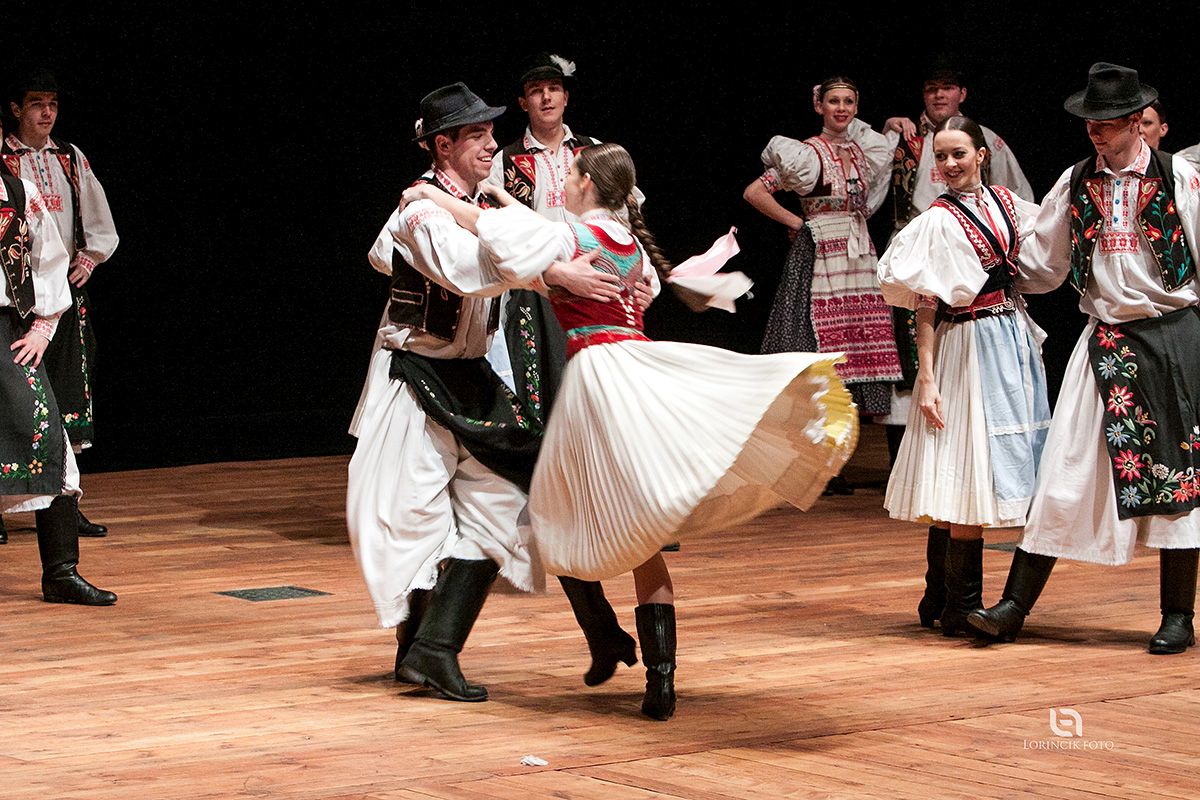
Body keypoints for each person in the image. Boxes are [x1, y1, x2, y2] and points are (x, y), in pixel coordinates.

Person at [404, 142, 858, 720]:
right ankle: (655, 678)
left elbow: (492, 230)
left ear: (586, 183)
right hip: (637, 365)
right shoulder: (632, 245)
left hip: (597, 377)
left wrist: (432, 197)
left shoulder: (569, 238)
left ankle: (569, 633)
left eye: (571, 175)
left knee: (554, 506)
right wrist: (500, 198)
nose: (565, 183)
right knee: (641, 536)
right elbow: (526, 229)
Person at [969, 63, 1200, 655]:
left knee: (1177, 475)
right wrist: (986, 272)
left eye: (1107, 121)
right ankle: (1013, 607)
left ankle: (1178, 615)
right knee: (1063, 468)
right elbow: (1043, 261)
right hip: (1105, 340)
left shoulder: (1180, 178)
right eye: (1090, 122)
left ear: (1136, 122)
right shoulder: (1075, 182)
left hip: (1171, 338)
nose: (1095, 131)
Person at [348, 83, 560, 703]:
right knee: (415, 519)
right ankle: (419, 653)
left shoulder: (463, 204)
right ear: (443, 146)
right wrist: (542, 266)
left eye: (491, 134)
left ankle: (433, 649)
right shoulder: (421, 212)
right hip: (416, 376)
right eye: (477, 136)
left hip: (467, 375)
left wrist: (498, 219)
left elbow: (385, 256)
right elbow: (472, 272)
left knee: (505, 501)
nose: (492, 145)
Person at [486, 52, 639, 688]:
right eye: (536, 90)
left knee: (563, 436)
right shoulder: (504, 160)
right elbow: (496, 228)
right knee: (533, 435)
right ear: (523, 101)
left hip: (584, 298)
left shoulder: (591, 156)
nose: (547, 98)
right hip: (528, 299)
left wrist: (630, 275)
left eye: (555, 88)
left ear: (566, 98)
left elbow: (624, 222)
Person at [877, 115, 1050, 635]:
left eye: (958, 153)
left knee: (990, 458)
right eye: (941, 156)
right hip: (966, 341)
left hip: (1010, 337)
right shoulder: (937, 220)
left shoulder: (1008, 203)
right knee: (962, 459)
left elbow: (1046, 250)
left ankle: (940, 596)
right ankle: (958, 603)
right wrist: (926, 377)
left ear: (981, 154)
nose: (949, 164)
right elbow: (926, 303)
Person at [743, 75, 901, 478]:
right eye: (834, 101)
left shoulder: (863, 151)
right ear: (820, 106)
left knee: (855, 347)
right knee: (817, 350)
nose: (841, 108)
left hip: (858, 255)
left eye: (848, 101)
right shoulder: (806, 154)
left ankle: (839, 460)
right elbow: (755, 192)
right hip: (819, 254)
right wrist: (798, 223)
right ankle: (818, 467)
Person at [0, 69, 118, 540]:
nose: (47, 113)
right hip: (13, 303)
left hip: (57, 296)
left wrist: (88, 258)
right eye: (36, 103)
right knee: (13, 404)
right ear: (15, 109)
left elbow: (96, 217)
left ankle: (64, 505)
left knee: (64, 399)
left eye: (52, 104)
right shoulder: (5, 163)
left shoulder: (69, 158)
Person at [0, 164, 116, 604]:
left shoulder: (18, 192)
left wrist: (43, 328)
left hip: (8, 335)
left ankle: (61, 573)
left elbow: (48, 259)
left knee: (50, 445)